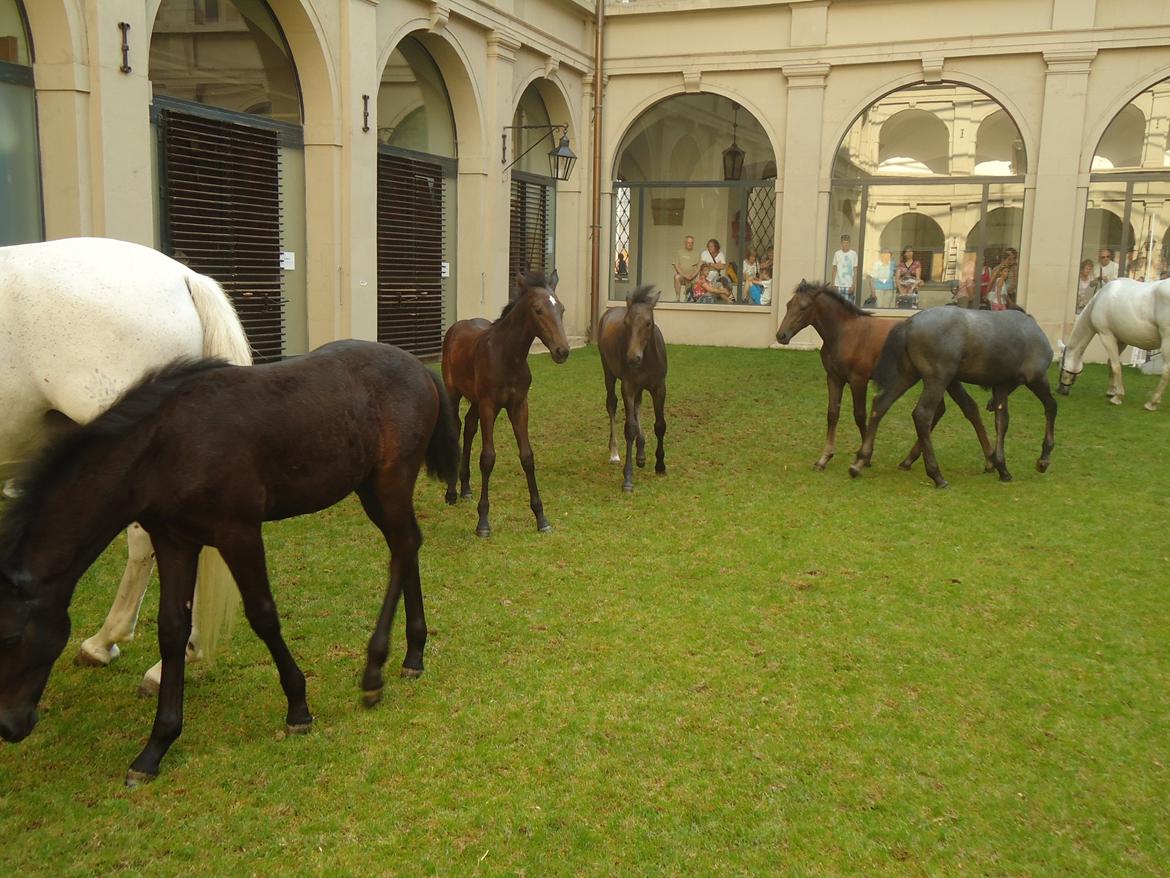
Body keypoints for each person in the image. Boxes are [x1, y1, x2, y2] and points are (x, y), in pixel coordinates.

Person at [693, 238, 734, 303]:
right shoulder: (702, 279)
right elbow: (711, 290)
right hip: (702, 299)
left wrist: (710, 264)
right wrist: (716, 266)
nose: (710, 248)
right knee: (717, 289)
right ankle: (729, 298)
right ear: (701, 271)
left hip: (713, 281)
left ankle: (729, 300)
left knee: (720, 284)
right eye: (709, 246)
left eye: (712, 246)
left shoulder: (720, 254)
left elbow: (722, 266)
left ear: (716, 247)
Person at [672, 235, 701, 301]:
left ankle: (689, 298)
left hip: (693, 277)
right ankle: (677, 298)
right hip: (682, 276)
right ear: (685, 243)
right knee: (676, 277)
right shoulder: (679, 252)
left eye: (692, 243)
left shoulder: (697, 253)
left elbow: (699, 267)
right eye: (688, 242)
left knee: (699, 281)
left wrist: (692, 276)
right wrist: (685, 275)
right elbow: (676, 266)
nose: (690, 244)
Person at [831, 234, 857, 303]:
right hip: (838, 285)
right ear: (841, 243)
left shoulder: (853, 254)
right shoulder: (837, 254)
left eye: (847, 242)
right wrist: (833, 284)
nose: (845, 244)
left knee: (849, 308)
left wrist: (853, 285)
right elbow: (834, 269)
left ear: (849, 243)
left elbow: (855, 270)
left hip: (849, 285)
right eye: (844, 242)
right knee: (838, 306)